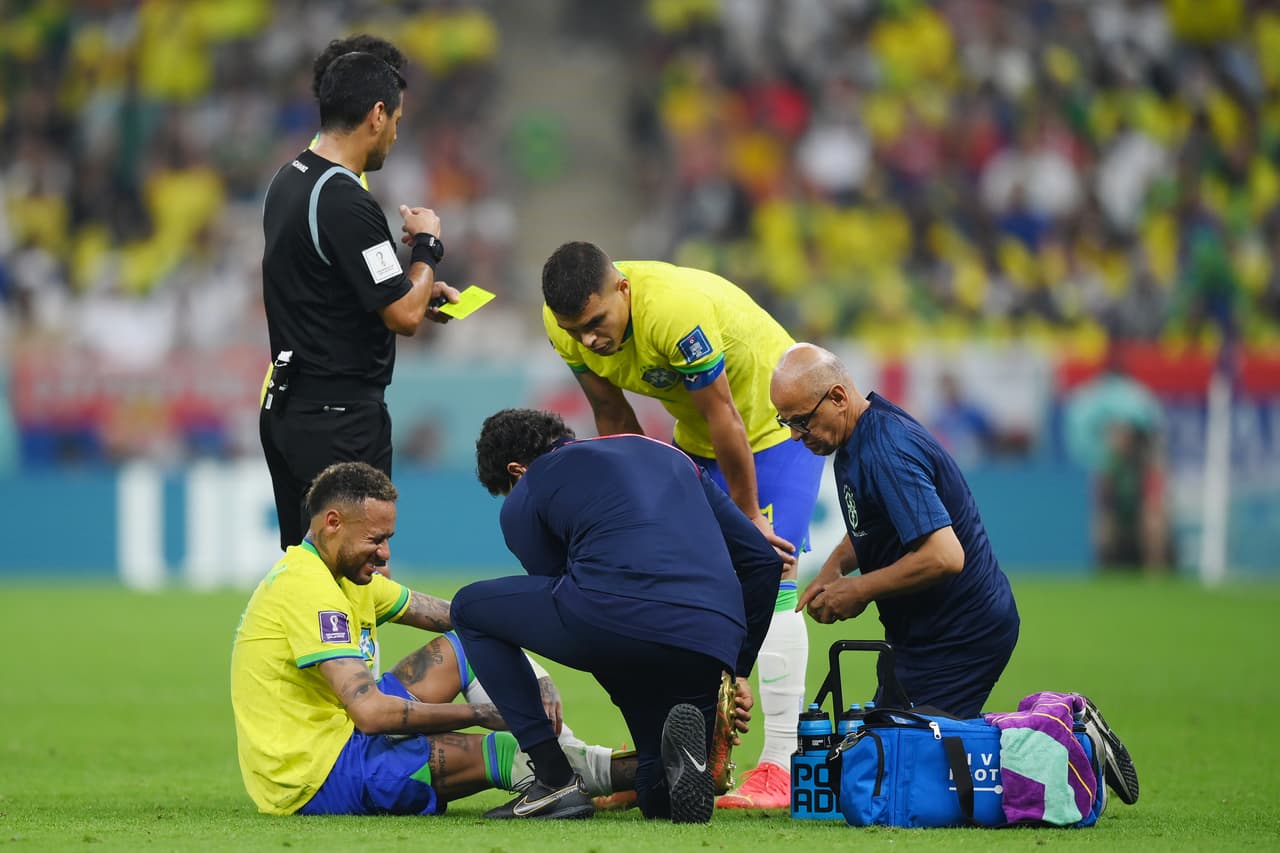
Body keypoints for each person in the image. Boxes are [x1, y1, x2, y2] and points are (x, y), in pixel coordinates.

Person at [540, 241, 824, 809]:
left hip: (770, 427)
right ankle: (674, 754)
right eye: (578, 331)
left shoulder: (675, 311)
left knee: (773, 572)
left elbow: (728, 417)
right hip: (698, 439)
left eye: (597, 323)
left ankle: (781, 765)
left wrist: (747, 521)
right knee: (677, 591)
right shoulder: (561, 321)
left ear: (621, 288)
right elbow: (614, 417)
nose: (589, 339)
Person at [230, 461, 632, 816]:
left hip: (343, 733)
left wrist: (539, 677)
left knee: (467, 641)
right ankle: (642, 772)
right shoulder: (308, 589)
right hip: (316, 776)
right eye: (375, 539)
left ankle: (586, 773)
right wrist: (485, 715)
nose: (385, 553)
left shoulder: (345, 578)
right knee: (508, 748)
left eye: (388, 538)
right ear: (332, 523)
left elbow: (469, 618)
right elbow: (370, 715)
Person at [449, 409, 784, 821]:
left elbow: (561, 587)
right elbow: (762, 563)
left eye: (506, 489)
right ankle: (664, 777)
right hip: (710, 637)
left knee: (469, 608)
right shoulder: (669, 456)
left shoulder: (530, 486)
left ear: (515, 470)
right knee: (654, 794)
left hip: (615, 620)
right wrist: (734, 670)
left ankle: (554, 779)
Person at [259, 41, 460, 551]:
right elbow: (404, 315)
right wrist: (428, 246)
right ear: (375, 114)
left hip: (290, 408)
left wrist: (412, 286)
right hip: (340, 422)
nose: (396, 131)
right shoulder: (346, 199)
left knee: (305, 572)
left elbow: (327, 285)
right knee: (362, 565)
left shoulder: (289, 179)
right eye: (395, 118)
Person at [770, 343, 1020, 718]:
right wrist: (835, 567)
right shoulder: (856, 435)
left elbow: (944, 556)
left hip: (960, 636)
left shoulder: (887, 450)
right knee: (888, 747)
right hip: (921, 634)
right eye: (786, 422)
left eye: (800, 420)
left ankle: (1058, 739)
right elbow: (872, 522)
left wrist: (859, 589)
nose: (794, 435)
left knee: (912, 758)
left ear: (837, 397)